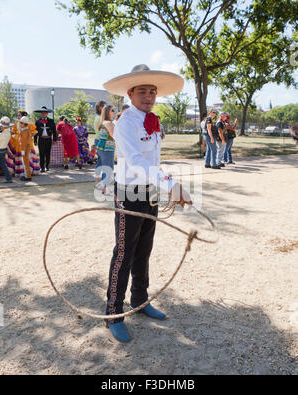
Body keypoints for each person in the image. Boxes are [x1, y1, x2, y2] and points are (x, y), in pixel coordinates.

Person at [102, 64, 192, 343]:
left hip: (149, 191)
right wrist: (171, 184)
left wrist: (164, 186)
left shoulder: (152, 121)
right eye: (143, 91)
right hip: (129, 192)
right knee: (124, 252)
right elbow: (136, 162)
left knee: (144, 250)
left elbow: (152, 162)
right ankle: (113, 312)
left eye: (153, 91)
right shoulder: (127, 122)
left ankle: (139, 301)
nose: (149, 96)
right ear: (130, 93)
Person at [95, 105, 116, 194]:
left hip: (102, 148)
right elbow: (114, 135)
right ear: (108, 112)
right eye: (112, 110)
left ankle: (103, 187)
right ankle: (105, 188)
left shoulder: (103, 122)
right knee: (108, 169)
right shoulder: (108, 123)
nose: (114, 112)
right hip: (107, 149)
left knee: (105, 168)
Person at [34, 106, 57, 173]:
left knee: (48, 153)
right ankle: (42, 167)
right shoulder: (38, 121)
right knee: (41, 154)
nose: (43, 114)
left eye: (45, 113)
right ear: (41, 114)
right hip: (41, 139)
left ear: (47, 113)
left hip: (48, 139)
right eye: (42, 113)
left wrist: (54, 140)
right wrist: (35, 140)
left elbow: (54, 131)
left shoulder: (51, 121)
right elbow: (35, 131)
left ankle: (47, 166)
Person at [17, 116, 38, 182]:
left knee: (25, 163)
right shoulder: (26, 130)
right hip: (27, 148)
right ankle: (27, 175)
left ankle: (28, 176)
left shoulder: (25, 131)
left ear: (24, 124)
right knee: (26, 162)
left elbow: (24, 142)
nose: (19, 124)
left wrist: (23, 150)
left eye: (21, 123)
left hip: (25, 149)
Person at [0, 117, 14, 183]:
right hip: (3, 151)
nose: (0, 127)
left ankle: (9, 178)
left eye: (1, 126)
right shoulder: (8, 134)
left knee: (3, 165)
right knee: (3, 165)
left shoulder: (1, 135)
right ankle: (9, 178)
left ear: (4, 127)